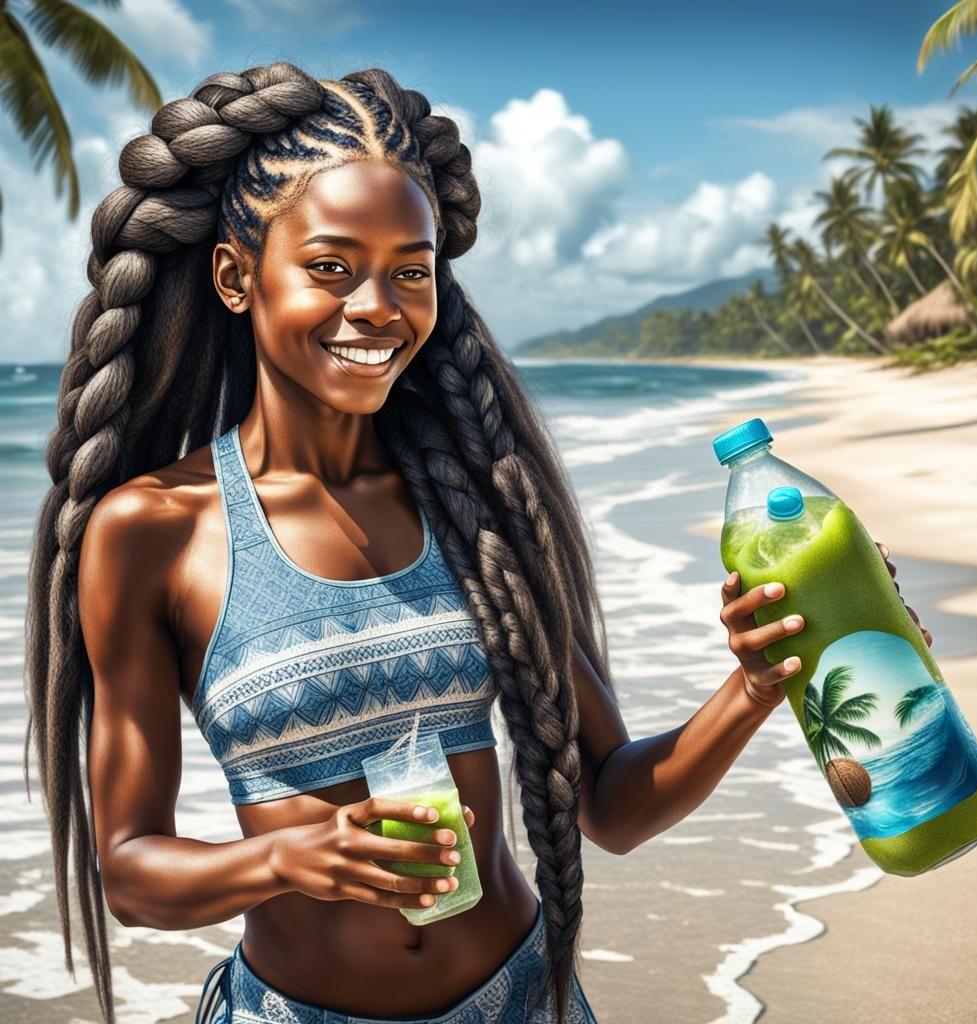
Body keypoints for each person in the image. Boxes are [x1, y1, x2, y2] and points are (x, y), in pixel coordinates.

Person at [21, 61, 929, 1024]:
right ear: (237, 276)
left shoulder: (472, 508)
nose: (377, 305)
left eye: (409, 270)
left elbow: (611, 806)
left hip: (522, 1001)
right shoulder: (151, 533)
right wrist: (289, 857)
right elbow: (131, 871)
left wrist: (753, 686)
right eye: (331, 267)